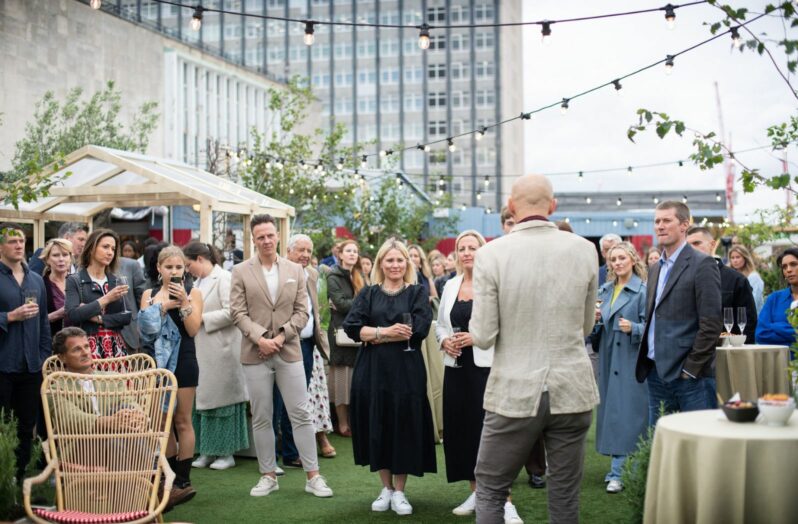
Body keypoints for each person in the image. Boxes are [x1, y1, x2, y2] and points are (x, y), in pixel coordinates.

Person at [470, 175, 599, 524]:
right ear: (552, 206)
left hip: (515, 387)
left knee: (492, 488)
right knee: (565, 494)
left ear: (511, 207)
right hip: (572, 385)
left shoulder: (490, 254)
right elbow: (586, 327)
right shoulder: (585, 249)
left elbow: (482, 335)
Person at [230, 214, 333, 499]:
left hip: (289, 350)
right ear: (253, 239)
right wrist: (260, 338)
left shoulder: (296, 270)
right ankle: (268, 475)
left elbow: (303, 312)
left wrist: (280, 336)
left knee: (301, 413)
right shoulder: (240, 271)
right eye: (260, 236)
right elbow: (237, 312)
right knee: (262, 416)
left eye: (270, 235)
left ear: (278, 237)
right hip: (254, 352)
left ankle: (313, 476)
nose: (265, 240)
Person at [342, 238, 435, 516]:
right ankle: (386, 488)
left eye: (399, 260)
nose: (395, 265)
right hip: (373, 371)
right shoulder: (368, 294)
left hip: (406, 371)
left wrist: (374, 334)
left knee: (403, 424)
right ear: (381, 263)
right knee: (378, 422)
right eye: (389, 260)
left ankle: (400, 491)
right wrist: (385, 333)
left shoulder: (417, 292)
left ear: (407, 263)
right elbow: (352, 327)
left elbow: (419, 328)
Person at [436, 230, 523, 523]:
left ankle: (505, 500)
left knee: (491, 434)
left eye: (473, 247)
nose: (467, 253)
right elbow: (441, 325)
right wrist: (444, 341)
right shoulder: (450, 285)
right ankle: (477, 492)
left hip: (487, 369)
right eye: (462, 248)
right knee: (461, 432)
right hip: (456, 368)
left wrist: (476, 338)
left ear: (483, 251)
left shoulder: (495, 284)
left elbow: (507, 325)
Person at [635, 202, 722, 426]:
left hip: (690, 378)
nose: (660, 226)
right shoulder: (655, 268)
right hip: (655, 373)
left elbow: (711, 324)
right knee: (663, 448)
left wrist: (690, 370)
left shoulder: (703, 264)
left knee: (700, 447)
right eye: (657, 221)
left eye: (666, 220)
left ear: (684, 225)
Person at [140, 245, 204, 504]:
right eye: (169, 267)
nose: (174, 272)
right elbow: (147, 330)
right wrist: (165, 305)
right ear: (159, 268)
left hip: (186, 360)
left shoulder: (194, 292)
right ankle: (167, 479)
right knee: (162, 421)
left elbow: (193, 330)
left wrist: (185, 303)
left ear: (184, 269)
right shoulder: (149, 294)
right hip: (157, 363)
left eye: (179, 267)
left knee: (182, 420)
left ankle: (183, 480)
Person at [182, 242, 248, 471]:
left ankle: (226, 452)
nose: (187, 269)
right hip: (203, 348)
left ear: (200, 258)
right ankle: (208, 450)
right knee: (204, 402)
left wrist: (202, 319)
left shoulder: (224, 278)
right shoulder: (197, 282)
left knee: (222, 402)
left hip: (222, 350)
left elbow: (234, 311)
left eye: (188, 264)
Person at [593, 242, 649, 494]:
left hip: (631, 359)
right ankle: (621, 469)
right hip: (608, 358)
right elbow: (594, 330)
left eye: (621, 258)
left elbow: (654, 327)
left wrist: (635, 328)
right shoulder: (604, 291)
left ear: (632, 260)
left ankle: (619, 472)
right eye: (613, 259)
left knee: (629, 416)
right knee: (614, 414)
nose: (617, 263)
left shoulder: (643, 291)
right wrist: (593, 322)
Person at [0, 223, 51, 481]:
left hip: (31, 367)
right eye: (12, 241)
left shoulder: (35, 280)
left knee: (25, 427)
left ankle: (18, 481)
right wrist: (9, 316)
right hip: (3, 365)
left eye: (21, 240)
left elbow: (42, 322)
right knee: (2, 426)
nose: (19, 245)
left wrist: (43, 356)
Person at [285, 234, 336, 459]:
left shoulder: (313, 274)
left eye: (309, 251)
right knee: (283, 399)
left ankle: (296, 450)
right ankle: (288, 450)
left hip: (307, 344)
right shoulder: (281, 272)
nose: (305, 255)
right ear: (288, 252)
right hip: (285, 342)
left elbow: (317, 308)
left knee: (300, 399)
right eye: (300, 250)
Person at [65, 229, 132, 359]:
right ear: (91, 248)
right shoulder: (75, 280)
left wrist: (98, 318)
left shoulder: (116, 280)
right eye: (105, 247)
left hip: (115, 348)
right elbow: (73, 314)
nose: (110, 252)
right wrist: (106, 298)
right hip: (86, 348)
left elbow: (127, 316)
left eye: (113, 249)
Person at [686, 226, 757, 343]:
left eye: (697, 243)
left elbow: (748, 323)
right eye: (688, 246)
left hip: (727, 351)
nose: (692, 248)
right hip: (690, 351)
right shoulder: (682, 278)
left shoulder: (736, 280)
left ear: (712, 245)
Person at [326, 239, 365, 438]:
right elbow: (341, 305)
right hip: (340, 334)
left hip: (359, 332)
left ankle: (355, 421)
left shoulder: (360, 275)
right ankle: (342, 423)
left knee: (356, 380)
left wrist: (357, 301)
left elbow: (362, 302)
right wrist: (361, 299)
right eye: (348, 251)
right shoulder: (333, 276)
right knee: (342, 380)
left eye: (355, 251)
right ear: (340, 254)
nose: (352, 254)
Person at [755, 247, 798, 350]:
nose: (788, 270)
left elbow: (767, 330)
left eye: (793, 264)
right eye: (784, 267)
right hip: (779, 362)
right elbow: (760, 335)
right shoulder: (774, 299)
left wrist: (775, 326)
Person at [40, 238, 73, 336]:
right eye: (55, 255)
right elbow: (31, 320)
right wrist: (57, 314)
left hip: (80, 342)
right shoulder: (40, 284)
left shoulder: (79, 283)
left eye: (65, 254)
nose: (61, 259)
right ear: (47, 260)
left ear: (70, 258)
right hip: (52, 343)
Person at [117, 256, 147, 354]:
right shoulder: (83, 268)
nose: (109, 252)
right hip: (96, 335)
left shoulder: (130, 265)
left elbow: (142, 298)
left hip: (129, 333)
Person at [728, 245, 765, 313]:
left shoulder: (753, 277)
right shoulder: (729, 277)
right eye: (732, 258)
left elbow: (754, 302)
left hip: (752, 317)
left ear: (745, 258)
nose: (735, 260)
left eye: (738, 257)